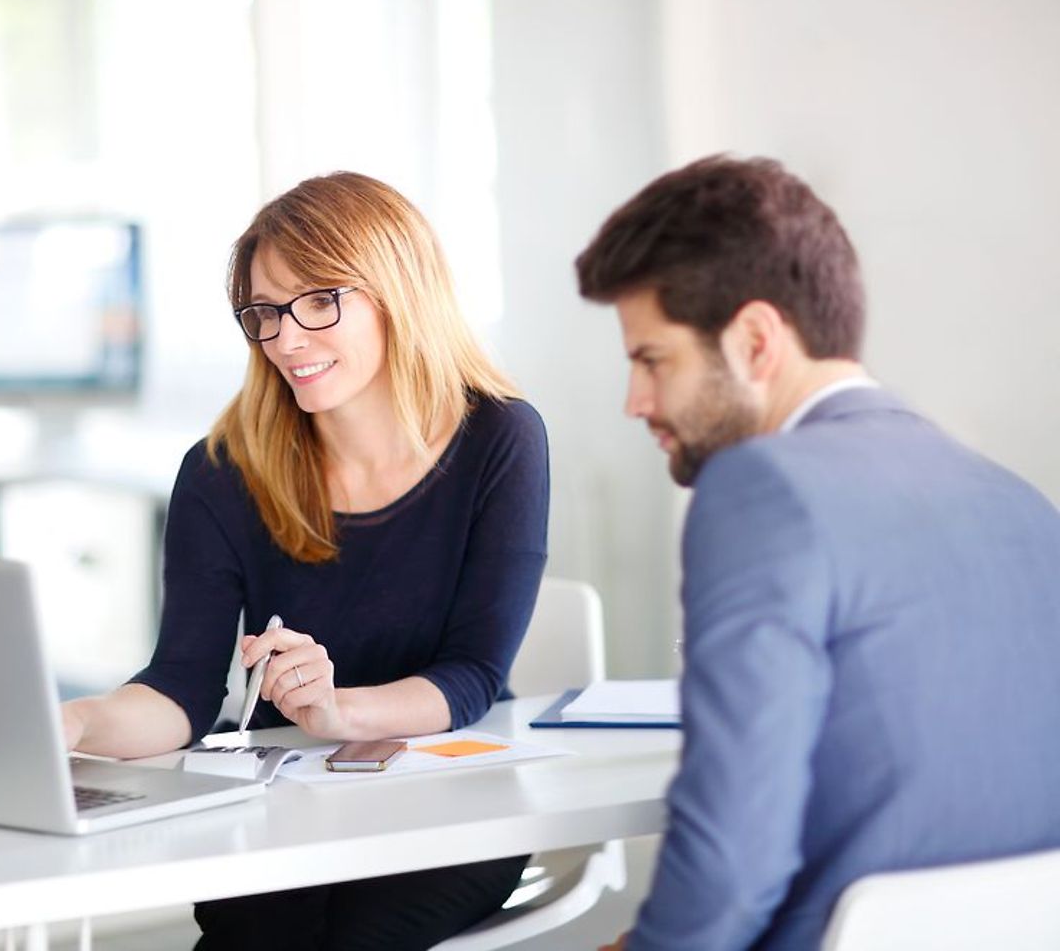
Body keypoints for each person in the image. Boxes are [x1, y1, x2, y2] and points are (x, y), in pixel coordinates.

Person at [574, 155, 1060, 950]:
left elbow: (733, 863)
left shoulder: (758, 486)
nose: (636, 402)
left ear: (756, 341)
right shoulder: (1019, 499)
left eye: (652, 359)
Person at [62, 171, 549, 950]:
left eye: (319, 302)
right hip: (280, 805)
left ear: (398, 291)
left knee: (358, 936)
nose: (286, 339)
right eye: (264, 312)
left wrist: (336, 711)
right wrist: (72, 721)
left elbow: (472, 675)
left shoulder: (499, 439)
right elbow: (181, 690)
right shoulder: (223, 470)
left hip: (449, 801)